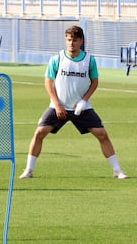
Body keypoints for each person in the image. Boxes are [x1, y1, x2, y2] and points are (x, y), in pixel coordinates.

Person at [19, 25, 128, 180]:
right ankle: (28, 170)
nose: (71, 43)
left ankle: (117, 170)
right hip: (58, 107)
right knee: (39, 133)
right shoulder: (57, 59)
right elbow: (48, 82)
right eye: (69, 40)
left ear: (81, 41)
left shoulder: (89, 60)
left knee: (102, 134)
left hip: (81, 108)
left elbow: (95, 82)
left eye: (75, 40)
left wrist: (84, 101)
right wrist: (57, 104)